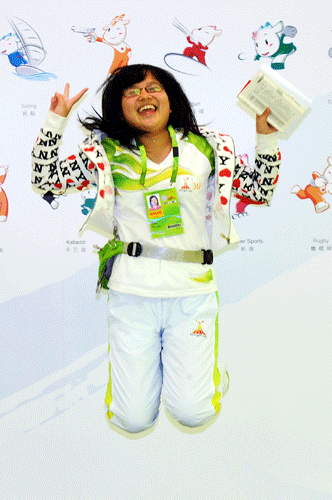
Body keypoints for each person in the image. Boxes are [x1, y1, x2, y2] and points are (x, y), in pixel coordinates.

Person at [31, 64, 281, 433]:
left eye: (153, 88)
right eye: (131, 92)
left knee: (194, 413)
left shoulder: (207, 147)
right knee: (131, 420)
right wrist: (56, 121)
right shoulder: (105, 152)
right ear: (119, 106)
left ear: (170, 97)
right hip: (132, 293)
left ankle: (210, 374)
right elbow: (45, 179)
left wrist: (266, 139)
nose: (144, 96)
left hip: (191, 292)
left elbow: (260, 190)